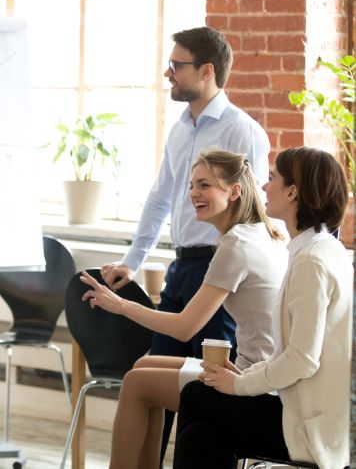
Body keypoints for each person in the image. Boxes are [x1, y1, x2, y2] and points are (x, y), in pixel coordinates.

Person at [100, 26, 271, 457]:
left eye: (177, 65)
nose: (168, 73)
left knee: (208, 396)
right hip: (180, 268)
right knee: (150, 384)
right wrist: (133, 260)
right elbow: (161, 197)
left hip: (220, 270)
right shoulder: (179, 130)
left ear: (207, 70)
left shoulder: (242, 130)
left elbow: (255, 206)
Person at [79, 149, 286, 468]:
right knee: (143, 365)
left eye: (204, 185)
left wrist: (119, 305)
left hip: (251, 382)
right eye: (191, 185)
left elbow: (184, 327)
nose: (193, 194)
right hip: (257, 371)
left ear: (234, 192)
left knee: (136, 384)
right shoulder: (262, 232)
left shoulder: (236, 245)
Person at [174, 146, 352, 469]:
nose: (265, 187)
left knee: (195, 397)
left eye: (272, 179)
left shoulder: (312, 262)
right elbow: (294, 351)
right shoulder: (318, 249)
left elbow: (302, 360)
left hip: (308, 428)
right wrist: (245, 373)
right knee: (198, 438)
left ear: (293, 192)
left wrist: (239, 384)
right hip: (300, 412)